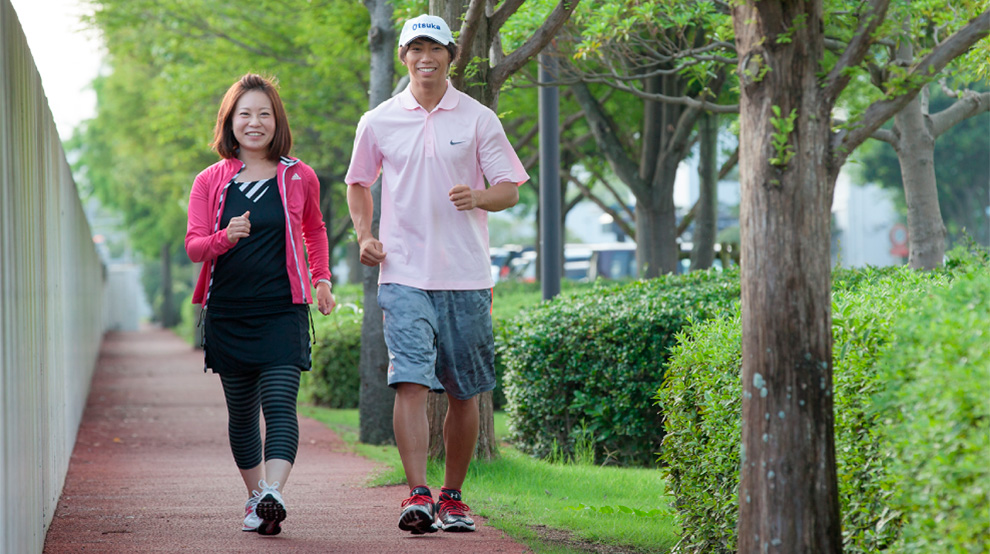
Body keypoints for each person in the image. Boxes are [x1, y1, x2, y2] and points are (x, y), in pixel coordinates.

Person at [345, 14, 528, 535]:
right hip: (402, 271)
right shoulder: (377, 120)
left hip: (466, 276)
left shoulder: (477, 118)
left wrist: (480, 196)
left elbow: (510, 188)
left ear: (451, 54)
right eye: (416, 48)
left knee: (464, 391)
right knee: (410, 381)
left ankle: (453, 497)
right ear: (403, 56)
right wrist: (365, 235)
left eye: (435, 48)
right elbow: (358, 183)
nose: (426, 57)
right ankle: (417, 494)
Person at [185, 73, 335, 536]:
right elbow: (194, 246)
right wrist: (223, 238)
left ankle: (274, 491)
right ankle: (256, 499)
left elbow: (314, 229)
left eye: (264, 114)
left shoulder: (298, 175)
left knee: (280, 403)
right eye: (244, 114)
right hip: (228, 313)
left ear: (277, 121)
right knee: (242, 413)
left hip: (283, 311)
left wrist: (322, 280)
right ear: (230, 122)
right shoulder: (210, 180)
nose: (255, 123)